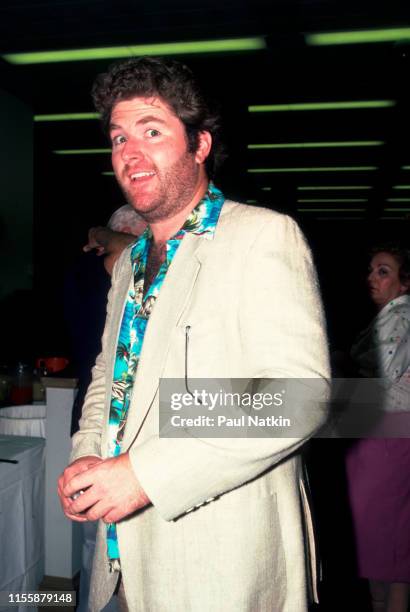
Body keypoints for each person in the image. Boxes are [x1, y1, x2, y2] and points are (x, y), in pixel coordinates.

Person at [57, 57, 330, 612]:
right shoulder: (130, 262)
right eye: (118, 138)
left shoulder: (261, 236)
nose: (129, 153)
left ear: (200, 145)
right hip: (118, 553)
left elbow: (299, 397)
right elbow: (110, 377)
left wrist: (146, 473)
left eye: (152, 132)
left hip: (218, 559)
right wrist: (88, 456)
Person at [64, 204, 146, 612]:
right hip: (107, 415)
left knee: (92, 545)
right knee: (108, 541)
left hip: (90, 412)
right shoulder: (125, 272)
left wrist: (101, 233)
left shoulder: (80, 274)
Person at [345, 245, 410, 612]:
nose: (372, 278)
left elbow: (381, 380)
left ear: (405, 283)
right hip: (384, 435)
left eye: (383, 271)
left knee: (387, 539)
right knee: (388, 537)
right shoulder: (389, 315)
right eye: (371, 270)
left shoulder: (398, 316)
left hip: (387, 436)